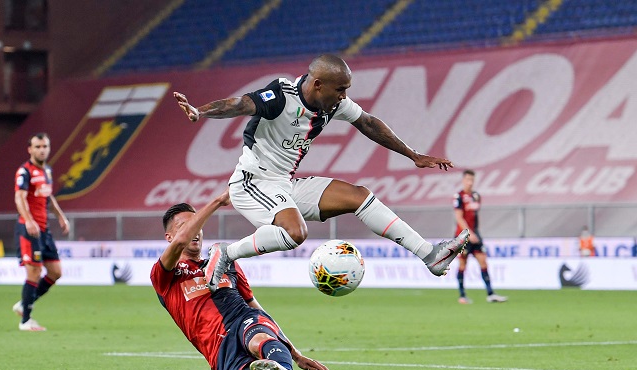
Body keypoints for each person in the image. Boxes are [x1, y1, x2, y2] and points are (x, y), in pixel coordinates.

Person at [174, 54, 469, 291]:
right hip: (252, 182)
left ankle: (430, 255)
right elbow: (240, 104)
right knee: (295, 232)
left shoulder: (332, 103)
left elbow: (367, 122)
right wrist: (200, 112)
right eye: (340, 89)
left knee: (358, 196)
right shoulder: (280, 96)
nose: (344, 96)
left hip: (283, 184)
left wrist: (413, 155)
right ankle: (225, 254)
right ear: (318, 85)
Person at [151, 191, 366, 370]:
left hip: (243, 320)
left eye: (198, 225)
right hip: (220, 352)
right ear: (169, 237)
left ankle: (282, 368)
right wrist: (218, 201)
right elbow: (179, 243)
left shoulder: (224, 262)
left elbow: (257, 308)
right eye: (187, 227)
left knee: (258, 340)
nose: (195, 231)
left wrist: (295, 353)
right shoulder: (164, 276)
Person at [13, 133, 70, 331]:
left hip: (44, 230)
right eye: (37, 146)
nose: (42, 150)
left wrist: (61, 216)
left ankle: (24, 303)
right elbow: (19, 198)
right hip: (29, 229)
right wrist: (28, 221)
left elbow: (48, 196)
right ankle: (25, 321)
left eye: (45, 146)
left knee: (55, 272)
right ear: (30, 149)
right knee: (34, 272)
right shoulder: (24, 171)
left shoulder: (47, 170)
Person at [453, 170, 507, 304]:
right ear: (463, 180)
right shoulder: (458, 197)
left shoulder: (476, 196)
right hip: (463, 236)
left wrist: (475, 232)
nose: (470, 182)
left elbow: (474, 217)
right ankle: (462, 295)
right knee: (462, 264)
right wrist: (468, 233)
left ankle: (490, 294)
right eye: (468, 180)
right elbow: (459, 217)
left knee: (483, 261)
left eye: (472, 180)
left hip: (475, 235)